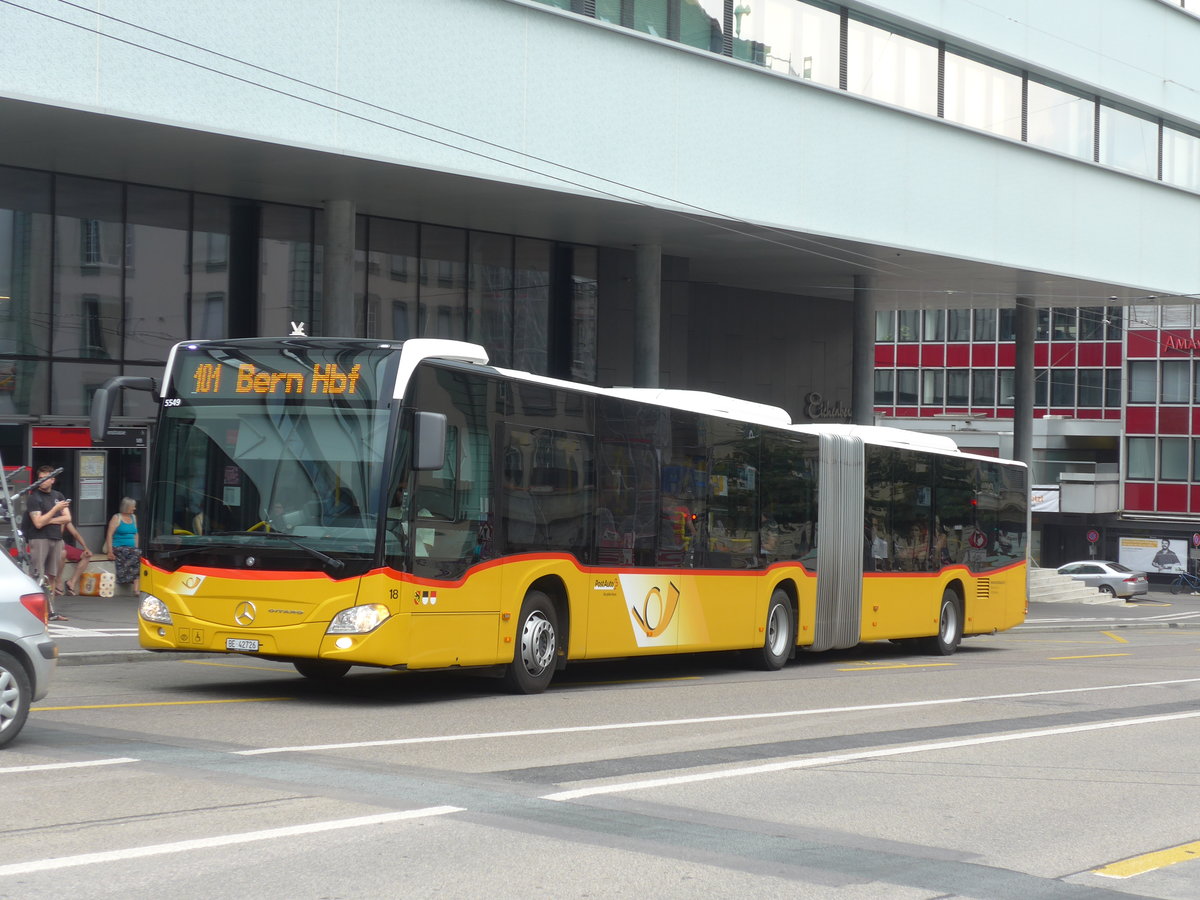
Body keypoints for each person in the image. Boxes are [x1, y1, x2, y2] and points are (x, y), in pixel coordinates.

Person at [21, 465, 71, 620]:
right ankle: (35, 611)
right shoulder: (34, 497)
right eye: (40, 478)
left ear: (53, 480)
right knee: (37, 574)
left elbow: (67, 518)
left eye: (46, 478)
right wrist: (55, 510)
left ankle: (50, 611)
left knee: (52, 575)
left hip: (55, 537)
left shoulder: (58, 495)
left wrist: (49, 519)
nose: (42, 481)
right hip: (39, 538)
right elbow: (38, 523)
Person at [103, 497, 140, 593]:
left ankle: (136, 588)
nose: (134, 508)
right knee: (135, 554)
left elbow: (135, 534)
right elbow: (109, 534)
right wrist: (110, 551)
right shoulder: (117, 518)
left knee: (137, 555)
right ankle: (128, 578)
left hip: (131, 549)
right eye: (133, 507)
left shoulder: (134, 518)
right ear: (127, 507)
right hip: (118, 546)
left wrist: (136, 546)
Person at [61, 520, 94, 595]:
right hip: (48, 545)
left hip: (61, 545)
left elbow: (75, 534)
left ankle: (72, 582)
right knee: (61, 553)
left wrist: (85, 548)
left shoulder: (64, 517)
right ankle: (57, 584)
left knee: (87, 555)